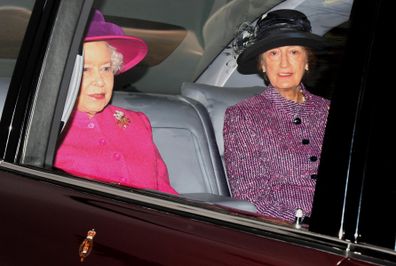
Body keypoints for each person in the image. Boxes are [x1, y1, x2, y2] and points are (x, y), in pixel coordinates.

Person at [54, 10, 177, 195]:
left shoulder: (137, 123)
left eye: (105, 68)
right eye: (86, 69)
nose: (99, 81)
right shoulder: (46, 131)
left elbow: (166, 194)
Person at [223, 9, 330, 222]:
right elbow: (250, 197)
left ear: (306, 60)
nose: (284, 64)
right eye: (273, 53)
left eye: (293, 52)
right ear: (263, 64)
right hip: (289, 231)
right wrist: (303, 222)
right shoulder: (243, 116)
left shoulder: (329, 110)